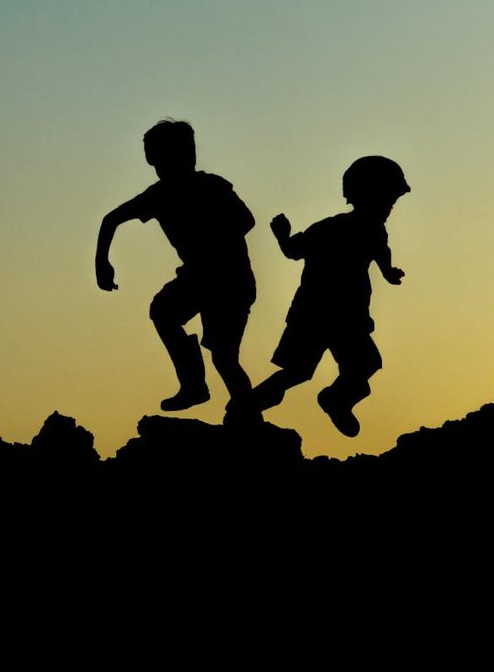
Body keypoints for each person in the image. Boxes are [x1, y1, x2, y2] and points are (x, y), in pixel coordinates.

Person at [96, 120, 256, 415]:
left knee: (224, 357)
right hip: (199, 277)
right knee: (163, 311)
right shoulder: (159, 194)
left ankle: (247, 416)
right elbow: (111, 219)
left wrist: (210, 236)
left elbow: (246, 220)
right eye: (155, 161)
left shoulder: (212, 186)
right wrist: (101, 263)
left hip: (230, 279)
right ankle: (195, 385)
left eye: (163, 159)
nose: (160, 167)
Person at [250, 156, 410, 437]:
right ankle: (248, 406)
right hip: (316, 315)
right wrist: (282, 236)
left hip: (343, 317)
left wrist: (388, 272)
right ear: (363, 196)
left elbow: (380, 252)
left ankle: (336, 399)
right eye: (386, 201)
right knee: (299, 371)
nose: (389, 209)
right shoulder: (333, 228)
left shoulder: (364, 230)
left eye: (391, 203)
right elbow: (294, 250)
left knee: (362, 365)